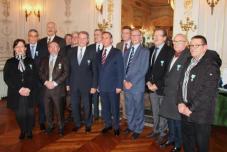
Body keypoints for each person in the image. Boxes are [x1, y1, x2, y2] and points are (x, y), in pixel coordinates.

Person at [177, 35, 221, 152]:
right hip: (184, 109)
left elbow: (207, 92)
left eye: (197, 45)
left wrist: (190, 108)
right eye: (191, 45)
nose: (193, 48)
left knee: (201, 144)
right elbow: (181, 84)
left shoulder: (211, 65)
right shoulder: (188, 61)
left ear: (205, 47)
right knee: (187, 141)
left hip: (200, 113)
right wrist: (180, 102)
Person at [159, 34, 190, 152]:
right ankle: (171, 139)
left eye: (179, 41)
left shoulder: (188, 56)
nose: (175, 44)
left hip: (178, 95)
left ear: (186, 43)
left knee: (177, 122)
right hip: (169, 93)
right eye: (174, 41)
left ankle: (178, 143)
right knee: (170, 119)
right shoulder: (173, 54)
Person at [4, 39, 37, 139]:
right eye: (17, 46)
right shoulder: (9, 62)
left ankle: (29, 130)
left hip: (29, 92)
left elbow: (35, 76)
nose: (19, 48)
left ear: (25, 48)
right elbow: (7, 78)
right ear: (14, 49)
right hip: (16, 92)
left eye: (22, 46)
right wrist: (19, 89)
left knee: (30, 112)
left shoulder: (31, 61)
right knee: (19, 114)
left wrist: (28, 89)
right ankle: (23, 130)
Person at [146, 28, 174, 143]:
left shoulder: (170, 51)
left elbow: (168, 72)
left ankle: (163, 132)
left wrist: (157, 85)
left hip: (162, 88)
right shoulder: (151, 49)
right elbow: (147, 68)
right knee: (155, 110)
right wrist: (148, 81)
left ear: (164, 38)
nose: (155, 37)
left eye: (158, 35)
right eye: (154, 35)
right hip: (151, 87)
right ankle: (156, 130)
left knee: (163, 112)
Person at [68, 31, 98, 133]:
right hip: (73, 84)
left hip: (87, 85)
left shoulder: (92, 52)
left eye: (84, 38)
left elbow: (95, 71)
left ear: (88, 40)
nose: (81, 40)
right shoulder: (71, 51)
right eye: (80, 38)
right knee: (74, 105)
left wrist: (94, 86)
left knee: (87, 106)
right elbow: (68, 70)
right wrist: (67, 83)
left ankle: (88, 124)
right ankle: (77, 123)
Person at [123, 29, 149, 140]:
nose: (134, 37)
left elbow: (143, 70)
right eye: (132, 35)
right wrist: (124, 81)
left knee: (138, 108)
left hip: (137, 86)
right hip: (126, 85)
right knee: (129, 108)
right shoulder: (127, 51)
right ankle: (131, 126)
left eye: (136, 35)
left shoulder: (145, 51)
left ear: (140, 37)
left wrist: (131, 83)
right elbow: (122, 68)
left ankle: (138, 129)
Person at [39, 41, 69, 136]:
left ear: (59, 49)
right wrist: (46, 82)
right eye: (51, 47)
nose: (53, 49)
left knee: (59, 111)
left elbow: (66, 73)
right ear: (48, 49)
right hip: (46, 89)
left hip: (58, 89)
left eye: (55, 47)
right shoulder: (43, 59)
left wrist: (55, 83)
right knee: (47, 110)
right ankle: (49, 126)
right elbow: (40, 73)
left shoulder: (63, 59)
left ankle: (61, 127)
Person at [98, 31, 124, 136]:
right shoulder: (99, 53)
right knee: (105, 108)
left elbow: (120, 70)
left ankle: (116, 126)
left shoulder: (117, 52)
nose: (104, 40)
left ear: (111, 40)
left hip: (114, 86)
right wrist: (97, 85)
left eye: (107, 38)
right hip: (102, 86)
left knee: (115, 108)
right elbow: (97, 70)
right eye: (103, 38)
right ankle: (108, 124)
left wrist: (119, 85)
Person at [26, 29, 46, 131]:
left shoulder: (43, 48)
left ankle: (42, 122)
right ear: (28, 37)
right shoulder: (23, 48)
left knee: (42, 102)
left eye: (35, 36)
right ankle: (31, 122)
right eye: (31, 36)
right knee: (30, 103)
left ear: (37, 37)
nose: (33, 38)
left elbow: (45, 64)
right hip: (28, 81)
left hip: (40, 81)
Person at [116, 26, 132, 120]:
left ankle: (130, 117)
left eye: (127, 33)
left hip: (130, 78)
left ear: (130, 34)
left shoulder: (134, 45)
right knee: (121, 98)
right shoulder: (118, 45)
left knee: (129, 99)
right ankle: (125, 117)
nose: (124, 35)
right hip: (119, 76)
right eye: (123, 33)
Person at [88, 29, 103, 120]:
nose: (96, 36)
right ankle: (95, 115)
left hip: (103, 77)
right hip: (92, 77)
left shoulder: (107, 47)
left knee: (104, 98)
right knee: (93, 97)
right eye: (94, 35)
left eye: (98, 34)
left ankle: (106, 115)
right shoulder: (89, 48)